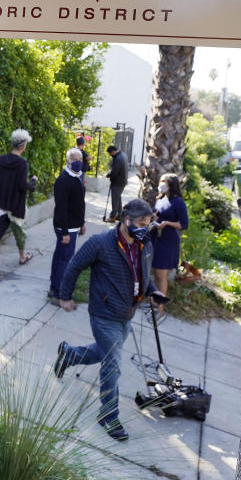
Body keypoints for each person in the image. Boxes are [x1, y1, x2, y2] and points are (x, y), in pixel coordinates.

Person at [53, 199, 166, 441]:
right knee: (112, 364)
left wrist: (153, 291)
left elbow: (143, 273)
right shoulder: (101, 243)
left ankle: (69, 355)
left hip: (127, 313)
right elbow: (74, 266)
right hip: (104, 314)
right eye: (140, 223)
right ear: (126, 220)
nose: (144, 228)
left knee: (103, 353)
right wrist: (65, 295)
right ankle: (108, 415)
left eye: (147, 224)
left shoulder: (144, 245)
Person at [0, 129, 38, 270]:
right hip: (15, 204)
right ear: (23, 145)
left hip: (1, 201)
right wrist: (32, 185)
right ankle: (22, 257)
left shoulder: (1, 160)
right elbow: (21, 185)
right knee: (19, 231)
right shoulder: (22, 164)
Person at [49, 147, 86, 303]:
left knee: (60, 257)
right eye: (74, 160)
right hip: (66, 228)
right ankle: (58, 293)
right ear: (68, 162)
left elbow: (79, 203)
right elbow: (62, 208)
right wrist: (64, 232)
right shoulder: (64, 181)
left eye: (80, 160)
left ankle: (54, 288)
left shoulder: (77, 176)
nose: (78, 163)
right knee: (64, 259)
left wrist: (82, 223)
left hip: (73, 225)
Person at [151, 173, 188, 322]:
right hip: (156, 239)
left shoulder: (178, 202)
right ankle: (154, 301)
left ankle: (160, 309)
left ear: (171, 185)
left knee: (161, 276)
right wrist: (154, 218)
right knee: (154, 273)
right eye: (160, 181)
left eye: (164, 182)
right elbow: (157, 214)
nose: (161, 184)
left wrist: (167, 223)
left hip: (168, 242)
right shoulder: (160, 198)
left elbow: (183, 224)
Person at [105, 145, 128, 222]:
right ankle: (120, 215)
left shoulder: (118, 158)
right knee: (118, 198)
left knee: (115, 199)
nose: (111, 156)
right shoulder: (122, 155)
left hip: (118, 182)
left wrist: (109, 175)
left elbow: (115, 171)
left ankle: (112, 217)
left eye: (110, 154)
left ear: (113, 151)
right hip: (122, 181)